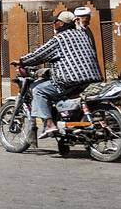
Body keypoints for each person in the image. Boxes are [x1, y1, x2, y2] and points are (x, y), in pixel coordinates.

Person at [12, 11, 104, 143]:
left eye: (55, 21)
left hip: (71, 81)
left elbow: (39, 55)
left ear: (60, 23)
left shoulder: (59, 39)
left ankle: (49, 124)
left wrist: (21, 61)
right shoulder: (83, 34)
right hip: (93, 78)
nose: (53, 24)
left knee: (38, 90)